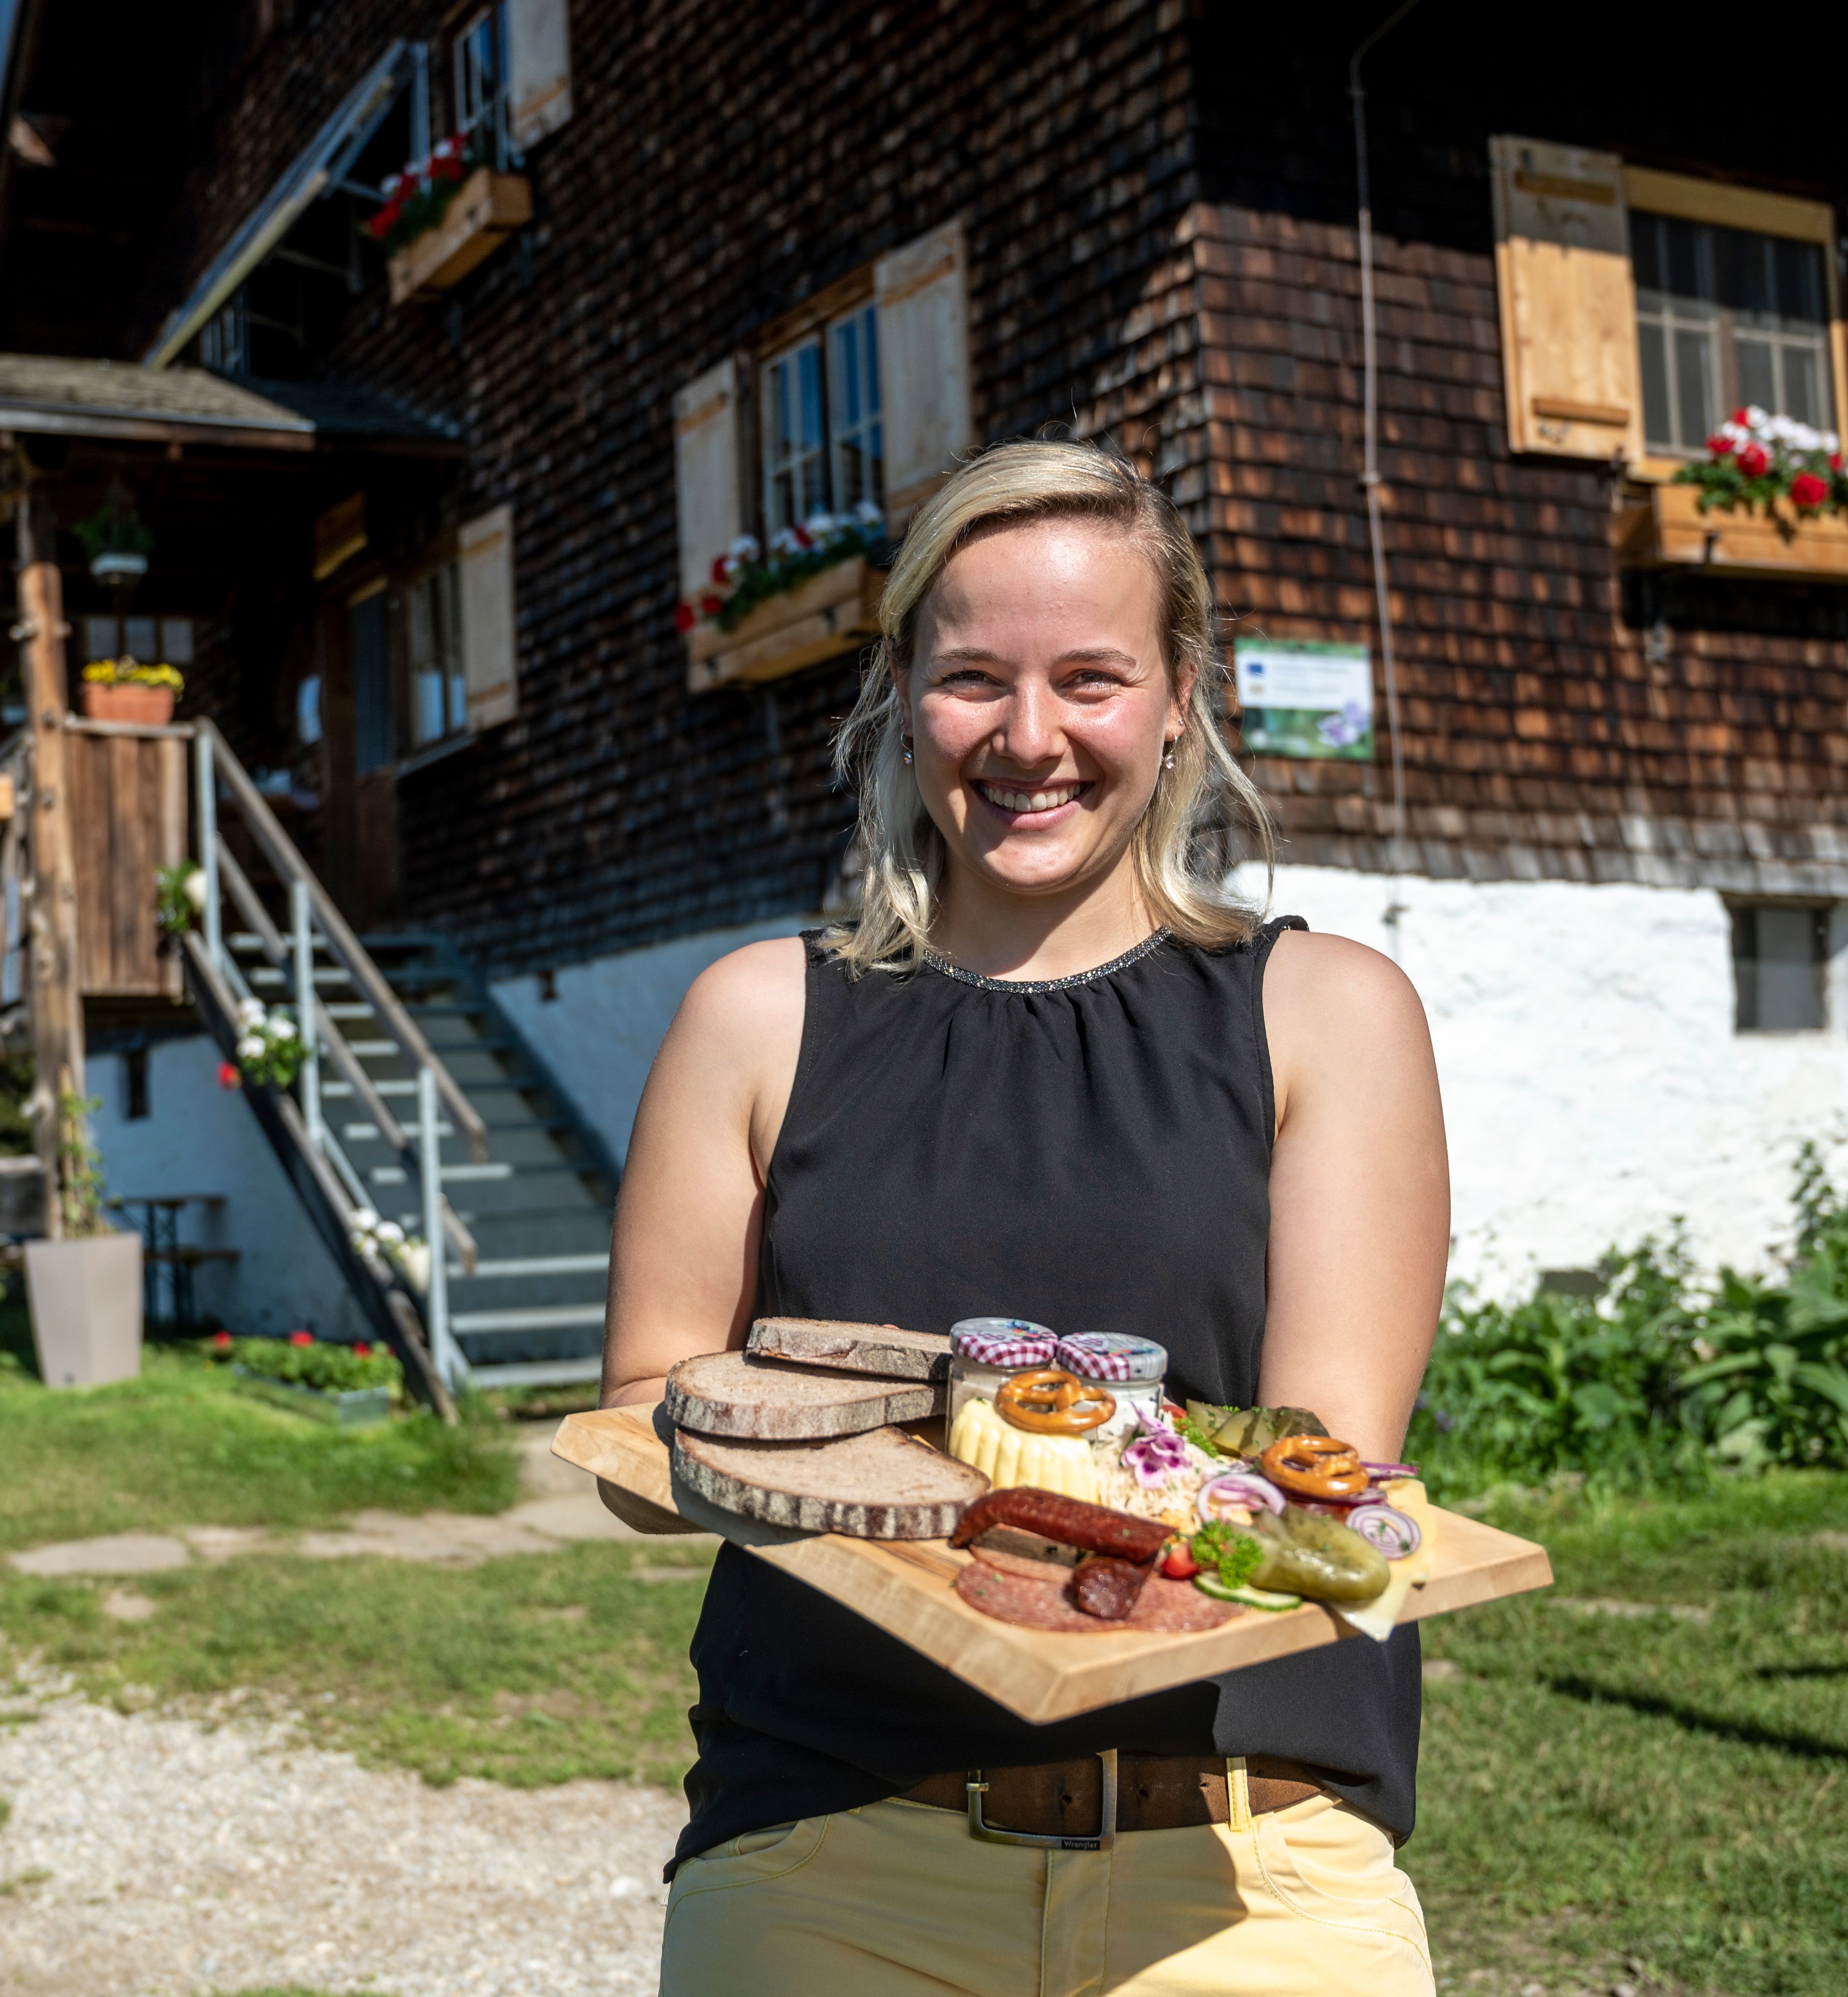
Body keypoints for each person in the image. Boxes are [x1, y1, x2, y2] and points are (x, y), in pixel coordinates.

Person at [601, 439, 1451, 1995]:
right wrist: (888, 1487)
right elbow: (649, 1427)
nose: (1030, 737)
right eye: (975, 676)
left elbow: (1317, 1459)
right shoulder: (758, 1019)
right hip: (834, 1862)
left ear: (1183, 692)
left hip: (1247, 1870)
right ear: (906, 691)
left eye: (1093, 679)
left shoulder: (1328, 1016)